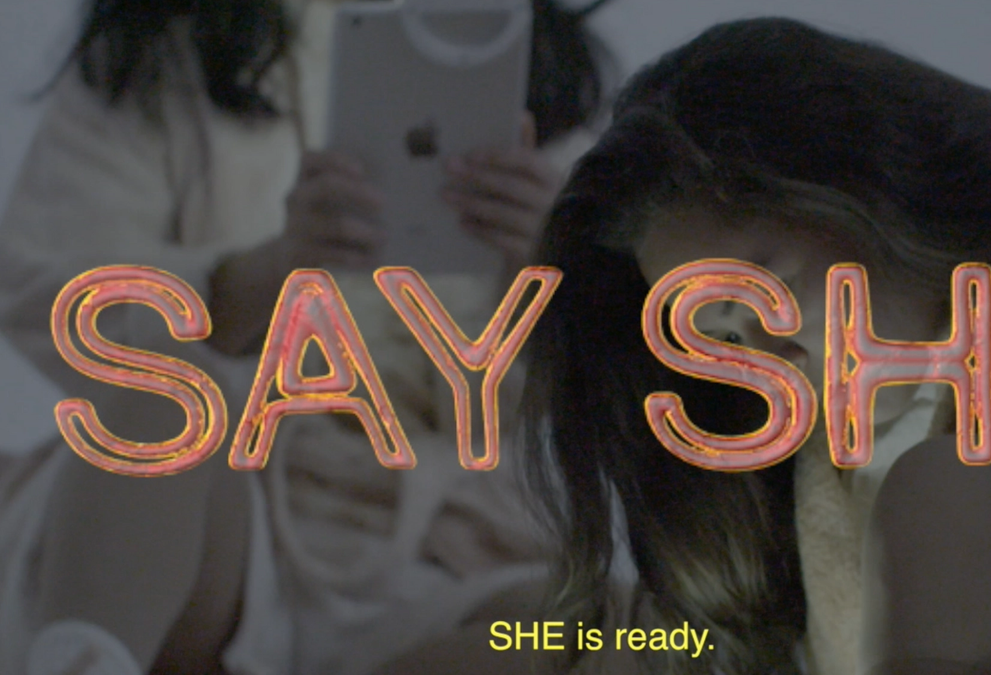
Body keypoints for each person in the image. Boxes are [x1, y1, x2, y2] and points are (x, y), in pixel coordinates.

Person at [521, 17, 991, 675]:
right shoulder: (824, 451)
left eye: (768, 293)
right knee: (525, 632)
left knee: (946, 489)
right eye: (723, 337)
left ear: (870, 192)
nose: (764, 362)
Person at [0, 0, 613, 673]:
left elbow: (621, 398)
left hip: (448, 564)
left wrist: (551, 275)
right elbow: (42, 288)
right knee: (163, 397)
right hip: (221, 524)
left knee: (634, 634)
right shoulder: (160, 50)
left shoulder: (534, 78)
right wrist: (260, 273)